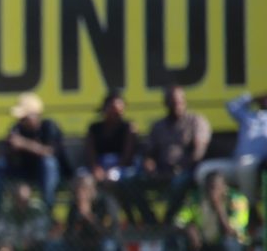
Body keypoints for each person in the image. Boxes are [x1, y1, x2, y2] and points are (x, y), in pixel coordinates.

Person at [119, 85, 211, 226]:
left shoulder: (196, 121)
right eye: (171, 102)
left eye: (178, 101)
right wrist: (149, 163)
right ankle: (150, 220)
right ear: (165, 103)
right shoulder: (158, 126)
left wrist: (180, 167)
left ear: (184, 101)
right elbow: (148, 152)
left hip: (186, 172)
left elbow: (198, 152)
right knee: (128, 182)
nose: (175, 105)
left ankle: (169, 220)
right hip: (161, 171)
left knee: (179, 184)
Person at [0, 93, 70, 219]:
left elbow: (51, 152)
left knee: (48, 163)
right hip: (24, 172)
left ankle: (48, 211)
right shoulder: (16, 128)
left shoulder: (49, 126)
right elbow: (5, 153)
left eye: (24, 118)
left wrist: (24, 144)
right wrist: (10, 148)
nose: (21, 121)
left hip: (47, 174)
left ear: (35, 115)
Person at [196, 91, 267, 203]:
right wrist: (252, 98)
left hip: (257, 164)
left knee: (245, 165)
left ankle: (252, 208)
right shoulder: (250, 116)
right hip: (236, 163)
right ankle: (219, 213)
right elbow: (231, 105)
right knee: (204, 171)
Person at [82, 89, 138, 185]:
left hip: (121, 166)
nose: (114, 114)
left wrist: (115, 169)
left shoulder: (128, 128)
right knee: (82, 178)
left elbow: (127, 156)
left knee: (114, 177)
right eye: (111, 109)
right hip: (100, 164)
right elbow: (90, 153)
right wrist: (96, 168)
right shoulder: (94, 128)